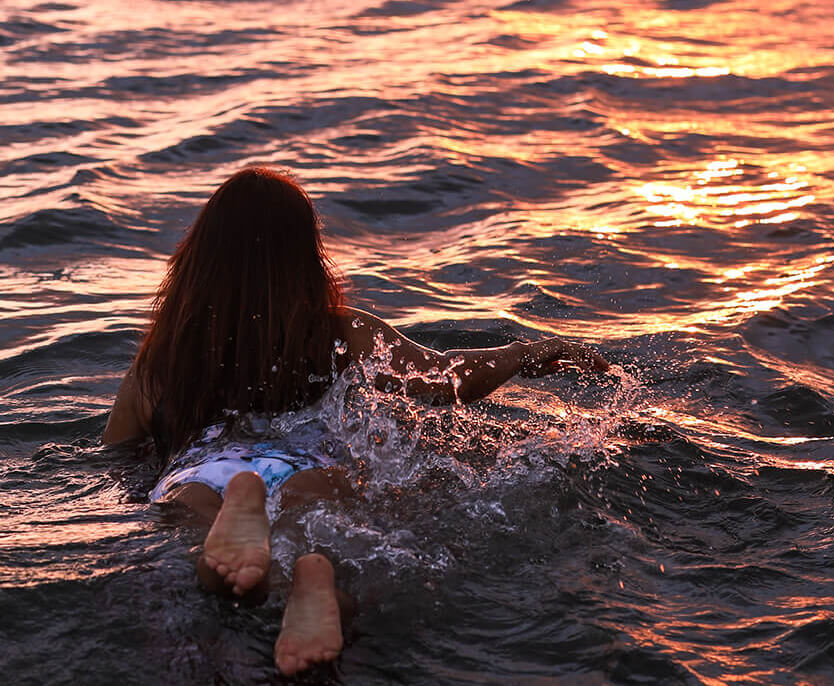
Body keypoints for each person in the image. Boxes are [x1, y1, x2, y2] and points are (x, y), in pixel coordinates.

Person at [102, 166, 608, 677]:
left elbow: (116, 458)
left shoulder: (162, 360)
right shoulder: (339, 333)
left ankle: (230, 550)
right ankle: (317, 585)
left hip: (198, 472)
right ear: (305, 257)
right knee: (318, 522)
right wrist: (529, 352)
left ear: (199, 258)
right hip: (307, 463)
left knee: (194, 538)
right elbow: (449, 378)